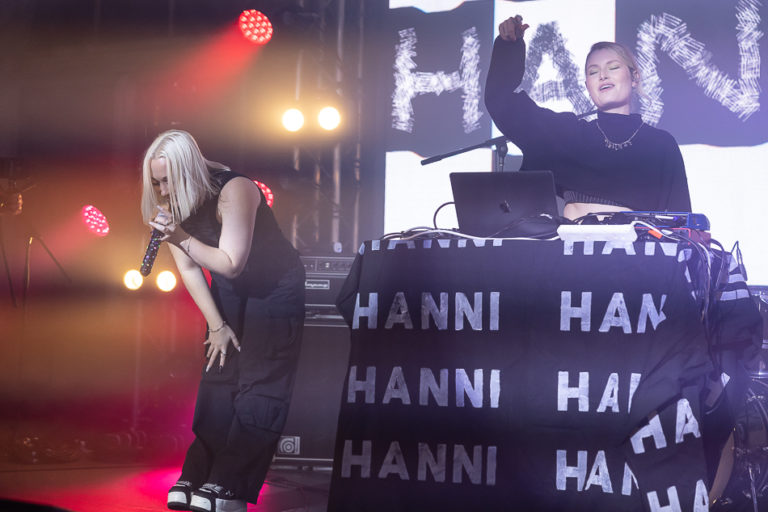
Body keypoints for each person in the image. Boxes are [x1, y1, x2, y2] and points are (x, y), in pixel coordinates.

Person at [140, 130, 305, 512]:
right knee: (218, 376)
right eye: (156, 182)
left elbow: (231, 264)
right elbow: (190, 269)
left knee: (260, 386)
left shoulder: (236, 189)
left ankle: (231, 485)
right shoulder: (173, 201)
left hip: (275, 288)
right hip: (230, 290)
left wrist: (179, 235)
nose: (162, 191)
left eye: (167, 181)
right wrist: (217, 326)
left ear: (187, 171)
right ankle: (199, 475)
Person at [484, 15, 692, 220]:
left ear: (634, 77)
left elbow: (682, 222)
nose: (603, 75)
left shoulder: (659, 145)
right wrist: (508, 46)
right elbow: (501, 101)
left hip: (636, 242)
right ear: (588, 86)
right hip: (571, 242)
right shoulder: (568, 135)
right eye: (593, 72)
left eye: (613, 67)